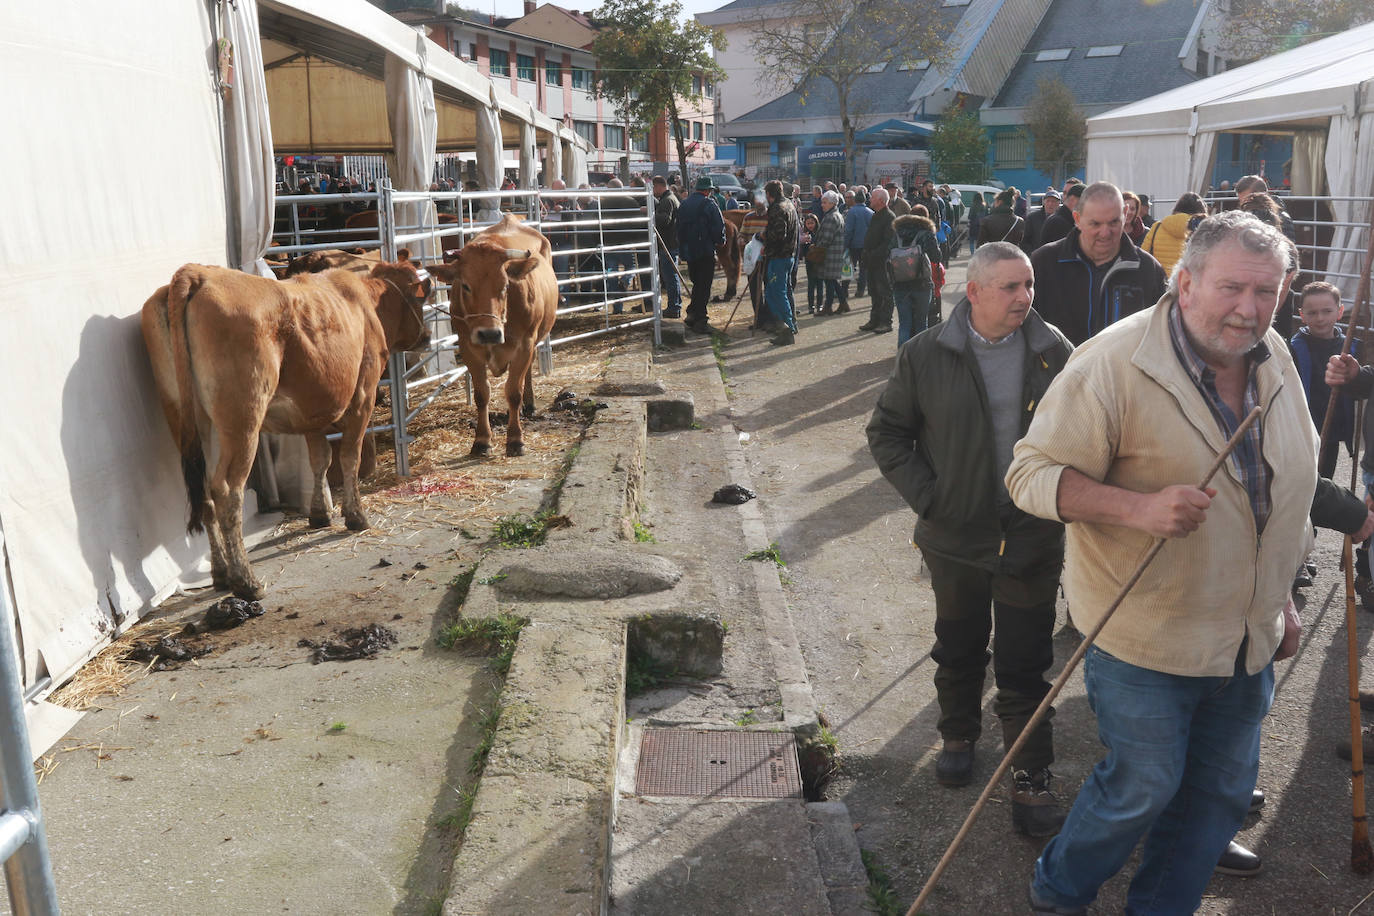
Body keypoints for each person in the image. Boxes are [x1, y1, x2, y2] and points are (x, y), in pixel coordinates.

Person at [1010, 211, 1319, 916]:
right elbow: (1028, 475)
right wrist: (1135, 508)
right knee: (1143, 786)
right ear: (1184, 283)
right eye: (1232, 288)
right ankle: (1059, 893)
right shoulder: (1112, 363)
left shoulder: (1272, 355)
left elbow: (1285, 492)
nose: (1249, 309)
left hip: (1245, 638)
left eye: (1267, 292)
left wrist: (1282, 596)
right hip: (1146, 634)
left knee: (1217, 796)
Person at [867, 242, 1074, 837]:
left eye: (1028, 284)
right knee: (958, 646)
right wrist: (931, 499)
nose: (1024, 298)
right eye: (1010, 287)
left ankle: (1030, 774)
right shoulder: (928, 353)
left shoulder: (1051, 350)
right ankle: (958, 731)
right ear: (974, 292)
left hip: (1031, 535)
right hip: (955, 536)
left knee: (1026, 663)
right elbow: (887, 434)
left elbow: (1083, 434)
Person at [1031, 181, 1167, 346]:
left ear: (1125, 214)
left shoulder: (1148, 270)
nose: (1105, 233)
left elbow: (1161, 337)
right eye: (1095, 224)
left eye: (1113, 222)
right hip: (1061, 371)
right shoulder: (1044, 263)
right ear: (1077, 219)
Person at [677, 176, 725, 334]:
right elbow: (718, 227)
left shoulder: (684, 204)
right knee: (704, 286)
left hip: (689, 251)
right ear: (708, 191)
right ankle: (700, 320)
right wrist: (720, 241)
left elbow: (679, 228)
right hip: (704, 250)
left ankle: (692, 313)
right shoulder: (709, 204)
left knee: (697, 283)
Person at [889, 210, 942, 345]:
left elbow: (888, 254)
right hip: (922, 283)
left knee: (904, 323)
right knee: (921, 322)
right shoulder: (926, 233)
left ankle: (902, 357)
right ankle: (919, 357)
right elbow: (937, 257)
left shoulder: (897, 233)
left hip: (900, 283)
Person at [760, 179, 800, 346]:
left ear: (769, 194)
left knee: (774, 293)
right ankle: (792, 324)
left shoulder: (777, 208)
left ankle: (786, 329)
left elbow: (779, 234)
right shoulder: (790, 204)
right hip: (789, 255)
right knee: (786, 290)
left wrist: (764, 237)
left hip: (778, 256)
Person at [1141, 191, 1209, 277]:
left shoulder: (1157, 227)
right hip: (1190, 284)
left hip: (1159, 284)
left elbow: (1143, 256)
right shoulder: (1201, 229)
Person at [859, 187, 897, 334]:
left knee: (885, 292)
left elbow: (888, 242)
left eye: (873, 198)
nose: (870, 199)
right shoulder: (876, 215)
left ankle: (886, 322)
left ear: (881, 200)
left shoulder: (889, 217)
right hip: (872, 260)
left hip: (882, 262)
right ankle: (874, 320)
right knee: (874, 292)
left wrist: (874, 253)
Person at [813, 190, 850, 315]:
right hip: (835, 253)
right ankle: (843, 303)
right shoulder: (836, 215)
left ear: (833, 203)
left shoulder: (830, 217)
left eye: (824, 202)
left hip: (829, 254)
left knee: (830, 281)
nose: (822, 205)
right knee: (832, 280)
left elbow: (826, 239)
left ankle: (828, 307)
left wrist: (816, 247)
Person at [651, 175, 681, 319]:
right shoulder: (670, 198)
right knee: (670, 276)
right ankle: (674, 306)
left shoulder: (667, 200)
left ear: (659, 186)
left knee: (670, 276)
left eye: (653, 187)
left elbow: (665, 220)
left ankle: (674, 307)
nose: (653, 190)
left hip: (668, 244)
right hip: (670, 242)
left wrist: (650, 214)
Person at [844, 189, 873, 300]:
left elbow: (849, 230)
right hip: (865, 245)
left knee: (848, 268)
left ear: (855, 200)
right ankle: (860, 290)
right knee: (863, 269)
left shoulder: (851, 212)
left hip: (853, 244)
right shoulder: (870, 212)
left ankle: (844, 290)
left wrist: (845, 244)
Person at [1038, 180, 1083, 247]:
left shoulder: (1071, 219)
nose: (1066, 197)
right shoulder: (1058, 222)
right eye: (1064, 193)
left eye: (1069, 193)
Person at [1021, 189, 1060, 256]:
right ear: (1044, 202)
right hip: (1036, 257)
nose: (1050, 204)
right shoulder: (1032, 218)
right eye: (1048, 201)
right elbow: (1025, 240)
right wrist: (1032, 254)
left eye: (1053, 201)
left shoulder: (1062, 219)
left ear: (1058, 204)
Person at [800, 212, 823, 315]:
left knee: (820, 283)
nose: (810, 225)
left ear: (816, 222)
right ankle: (811, 306)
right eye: (808, 223)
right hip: (809, 261)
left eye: (812, 223)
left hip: (819, 260)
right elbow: (803, 251)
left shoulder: (820, 233)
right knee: (811, 283)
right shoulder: (804, 234)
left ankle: (820, 305)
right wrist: (805, 243)